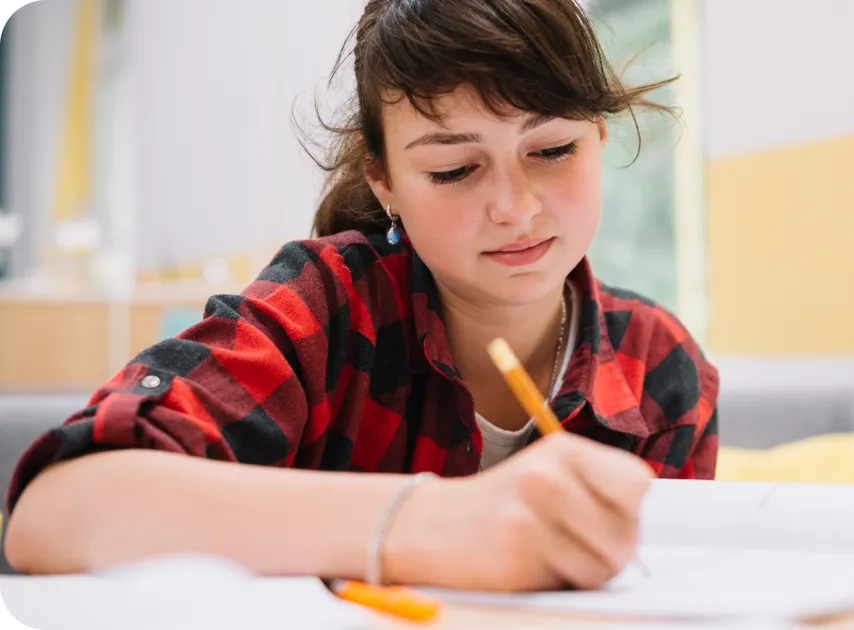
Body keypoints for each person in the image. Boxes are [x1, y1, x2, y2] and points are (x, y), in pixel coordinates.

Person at [3, 0, 719, 592]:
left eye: (552, 151)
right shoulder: (327, 310)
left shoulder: (657, 367)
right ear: (384, 181)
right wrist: (429, 522)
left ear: (597, 137)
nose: (515, 207)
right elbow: (55, 511)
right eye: (454, 168)